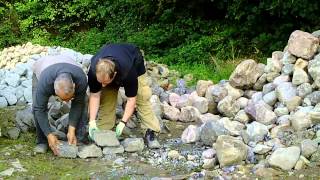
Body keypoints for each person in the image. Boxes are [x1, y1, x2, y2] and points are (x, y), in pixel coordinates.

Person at [87, 43, 161, 148]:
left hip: (134, 61)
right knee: (107, 96)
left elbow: (132, 100)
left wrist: (123, 122)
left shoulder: (128, 72)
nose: (102, 85)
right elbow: (94, 96)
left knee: (142, 96)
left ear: (115, 75)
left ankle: (150, 131)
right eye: (100, 82)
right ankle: (103, 131)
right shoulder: (94, 72)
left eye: (105, 82)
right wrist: (92, 122)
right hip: (112, 60)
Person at [32, 54, 88, 155]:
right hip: (43, 67)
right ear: (53, 90)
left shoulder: (81, 79)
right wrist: (49, 135)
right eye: (61, 99)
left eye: (69, 98)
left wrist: (71, 129)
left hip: (68, 65)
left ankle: (79, 138)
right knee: (37, 106)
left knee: (83, 102)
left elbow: (78, 104)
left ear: (74, 86)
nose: (65, 103)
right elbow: (39, 109)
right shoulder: (45, 82)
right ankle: (42, 141)